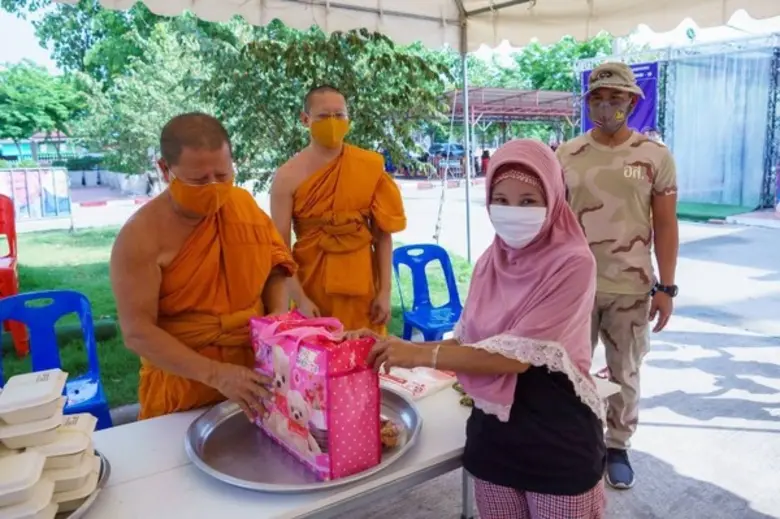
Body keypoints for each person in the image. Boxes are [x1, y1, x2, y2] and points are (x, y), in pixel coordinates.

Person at [350, 139, 607, 519]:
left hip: (557, 445)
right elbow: (471, 343)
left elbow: (514, 356)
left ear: (554, 198)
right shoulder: (492, 260)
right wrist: (396, 345)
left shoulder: (572, 263)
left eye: (527, 201)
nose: (511, 212)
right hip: (494, 439)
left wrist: (420, 353)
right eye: (500, 199)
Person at [110, 113, 297, 421]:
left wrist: (276, 316)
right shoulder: (140, 237)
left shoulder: (243, 205)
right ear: (164, 168)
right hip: (184, 384)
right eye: (198, 181)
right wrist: (216, 375)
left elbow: (276, 267)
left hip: (257, 376)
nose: (213, 187)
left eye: (222, 176)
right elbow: (138, 332)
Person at [557, 62, 679, 490]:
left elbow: (665, 224)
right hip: (575, 287)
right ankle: (579, 439)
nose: (606, 105)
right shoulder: (567, 155)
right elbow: (553, 222)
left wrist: (666, 287)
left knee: (624, 371)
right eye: (598, 97)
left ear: (632, 101)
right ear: (588, 101)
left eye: (616, 97)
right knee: (570, 369)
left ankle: (618, 445)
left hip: (630, 287)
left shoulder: (654, 156)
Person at [270, 85, 407, 334]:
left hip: (363, 289)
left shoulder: (369, 166)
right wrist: (300, 299)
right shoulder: (286, 177)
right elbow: (279, 249)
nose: (333, 123)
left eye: (340, 115)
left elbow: (383, 234)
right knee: (317, 364)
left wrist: (385, 292)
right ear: (305, 119)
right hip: (313, 290)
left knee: (365, 361)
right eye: (323, 116)